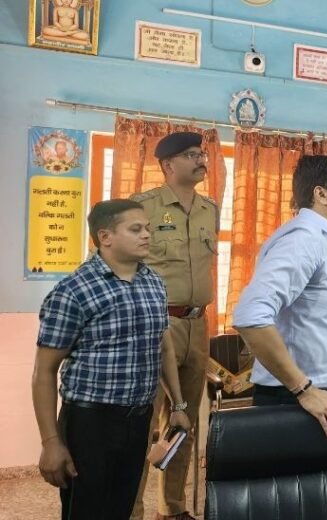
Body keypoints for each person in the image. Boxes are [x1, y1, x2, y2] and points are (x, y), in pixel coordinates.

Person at [33, 199, 188, 520]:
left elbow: (163, 349)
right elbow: (44, 372)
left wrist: (178, 405)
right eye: (136, 229)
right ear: (105, 237)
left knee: (121, 507)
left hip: (138, 419)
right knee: (87, 510)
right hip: (90, 422)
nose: (147, 235)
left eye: (148, 228)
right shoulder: (73, 291)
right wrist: (50, 442)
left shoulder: (153, 284)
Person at [233, 155, 327, 442]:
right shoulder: (304, 240)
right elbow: (250, 315)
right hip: (298, 402)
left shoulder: (325, 242)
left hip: (323, 399)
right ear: (321, 194)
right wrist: (303, 389)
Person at [130, 131, 219, 520]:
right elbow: (117, 264)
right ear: (167, 165)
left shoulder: (209, 209)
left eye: (202, 153)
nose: (201, 160)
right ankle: (132, 510)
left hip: (197, 325)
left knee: (184, 421)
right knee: (142, 422)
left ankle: (173, 508)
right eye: (191, 155)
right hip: (157, 324)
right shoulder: (142, 207)